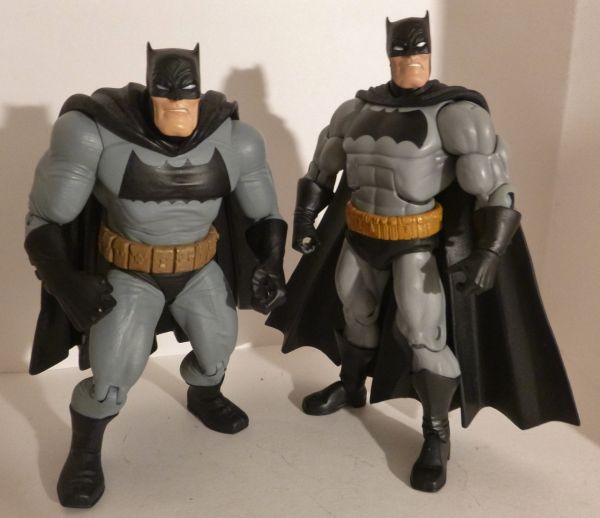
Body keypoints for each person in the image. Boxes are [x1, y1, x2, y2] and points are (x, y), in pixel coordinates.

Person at [267, 13, 578, 492]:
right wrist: (306, 218)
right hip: (359, 235)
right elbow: (322, 169)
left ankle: (436, 433)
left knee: (423, 333)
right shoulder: (356, 109)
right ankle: (351, 386)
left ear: (429, 54)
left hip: (414, 242)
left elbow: (494, 189)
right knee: (355, 314)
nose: (410, 61)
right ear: (388, 54)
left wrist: (491, 252)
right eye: (401, 53)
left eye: (418, 52)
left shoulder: (455, 114)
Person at [25, 44, 286, 508]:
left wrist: (272, 263)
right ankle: (85, 451)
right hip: (132, 274)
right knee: (110, 381)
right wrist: (65, 282)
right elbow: (45, 220)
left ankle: (204, 397)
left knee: (217, 357)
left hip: (199, 269)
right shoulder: (96, 134)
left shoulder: (235, 139)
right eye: (167, 93)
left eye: (187, 93)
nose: (178, 104)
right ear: (150, 91)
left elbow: (264, 213)